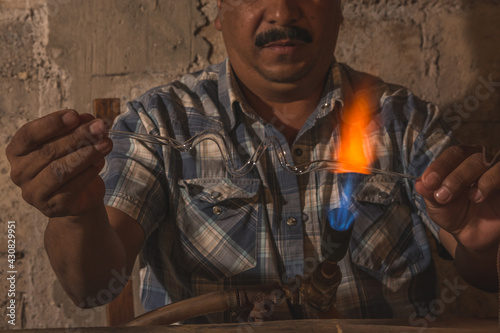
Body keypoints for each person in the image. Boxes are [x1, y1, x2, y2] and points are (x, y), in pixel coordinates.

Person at [5, 0, 500, 324]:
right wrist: (75, 214)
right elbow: (91, 287)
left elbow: (488, 270)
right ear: (218, 11)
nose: (282, 11)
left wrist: (485, 238)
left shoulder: (404, 122)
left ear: (341, 6)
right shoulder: (160, 123)